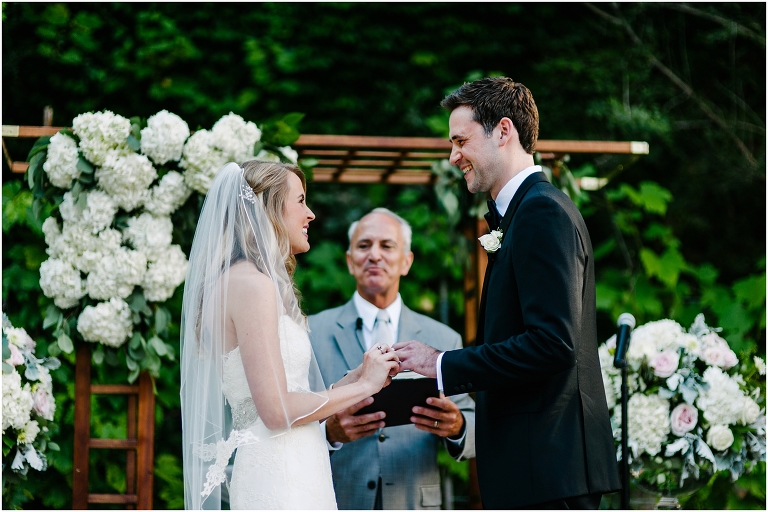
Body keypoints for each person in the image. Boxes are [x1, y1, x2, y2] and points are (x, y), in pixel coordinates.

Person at [395, 77, 621, 509]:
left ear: (503, 131)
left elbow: (552, 344)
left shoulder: (541, 212)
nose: (453, 156)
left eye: (461, 141)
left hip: (548, 476)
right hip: (536, 472)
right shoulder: (525, 213)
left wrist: (440, 363)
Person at [180, 161, 400, 510]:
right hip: (281, 476)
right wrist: (365, 387)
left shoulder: (240, 281)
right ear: (269, 209)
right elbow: (275, 411)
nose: (310, 214)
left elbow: (286, 398)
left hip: (293, 464)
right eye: (300, 201)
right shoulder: (253, 285)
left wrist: (358, 375)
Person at [309, 208, 476, 509]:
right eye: (364, 246)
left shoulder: (443, 339)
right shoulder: (311, 333)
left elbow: (475, 425)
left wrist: (458, 425)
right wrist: (328, 433)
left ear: (407, 261)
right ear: (350, 261)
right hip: (337, 500)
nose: (374, 255)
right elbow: (292, 420)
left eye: (386, 246)